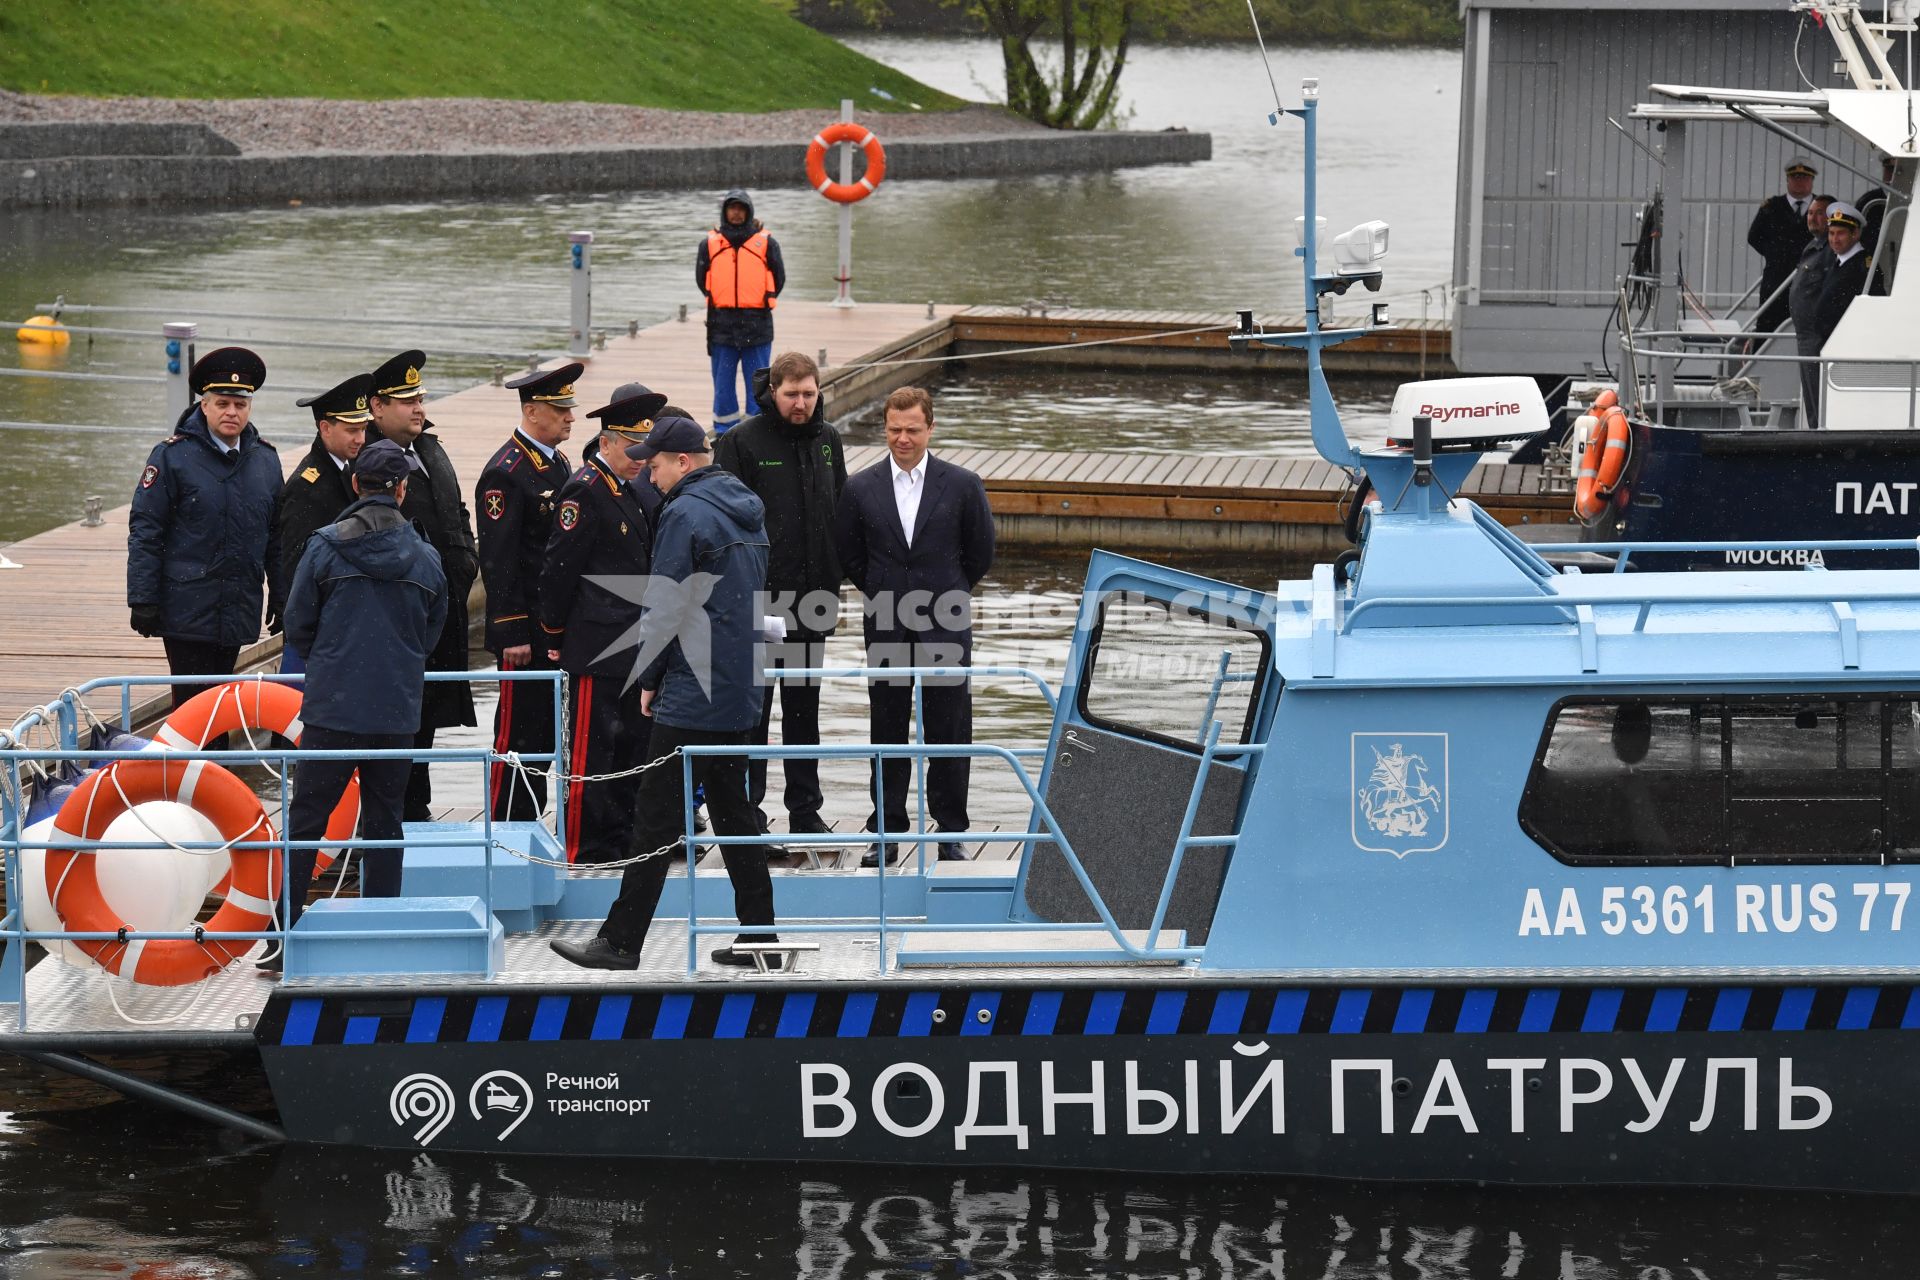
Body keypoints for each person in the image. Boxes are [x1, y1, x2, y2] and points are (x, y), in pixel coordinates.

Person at [550, 414, 777, 971]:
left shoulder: (685, 513)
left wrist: (648, 679)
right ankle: (762, 936)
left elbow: (666, 604)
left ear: (683, 462)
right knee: (734, 814)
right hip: (741, 682)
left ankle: (621, 941)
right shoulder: (746, 508)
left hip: (692, 688)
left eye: (655, 467)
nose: (650, 478)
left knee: (654, 818)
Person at [271, 440, 446, 970]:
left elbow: (298, 623)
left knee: (305, 823)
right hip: (395, 714)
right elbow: (431, 633)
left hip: (332, 712)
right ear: (401, 489)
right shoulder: (427, 555)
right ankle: (382, 933)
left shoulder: (324, 547)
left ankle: (285, 939)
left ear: (355, 484)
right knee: (385, 823)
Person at [833, 386, 995, 866]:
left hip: (945, 620)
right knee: (886, 728)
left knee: (949, 727)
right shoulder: (860, 487)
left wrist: (945, 591)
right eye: (894, 429)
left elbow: (980, 551)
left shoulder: (963, 484)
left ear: (930, 428)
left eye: (913, 429)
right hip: (885, 621)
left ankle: (950, 829)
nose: (903, 438)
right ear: (884, 428)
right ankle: (885, 831)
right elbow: (850, 554)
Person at [712, 352, 847, 844]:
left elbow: (841, 509)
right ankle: (748, 810)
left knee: (804, 713)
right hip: (759, 604)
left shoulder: (828, 440)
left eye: (809, 393)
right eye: (792, 394)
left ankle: (806, 811)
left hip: (813, 602)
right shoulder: (742, 441)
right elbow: (723, 523)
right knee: (752, 712)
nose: (801, 403)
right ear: (773, 391)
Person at [538, 383, 668, 865]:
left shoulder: (628, 492)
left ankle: (618, 837)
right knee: (590, 753)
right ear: (608, 441)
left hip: (631, 641)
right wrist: (553, 634)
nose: (639, 457)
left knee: (630, 747)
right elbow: (559, 569)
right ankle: (583, 846)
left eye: (645, 449)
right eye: (631, 447)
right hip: (594, 642)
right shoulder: (584, 490)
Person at [127, 346, 284, 709]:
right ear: (205, 405)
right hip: (186, 607)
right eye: (223, 403)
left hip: (239, 604)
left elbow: (276, 537)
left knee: (221, 703)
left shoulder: (265, 461)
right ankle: (191, 766)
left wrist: (281, 593)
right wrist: (143, 598)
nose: (232, 412)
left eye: (240, 405)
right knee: (191, 708)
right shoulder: (172, 457)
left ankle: (212, 764)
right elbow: (147, 532)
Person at [366, 350, 480, 823]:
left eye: (419, 398)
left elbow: (457, 513)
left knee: (428, 717)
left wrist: (467, 555)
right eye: (405, 400)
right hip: (398, 618)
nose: (417, 408)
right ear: (377, 407)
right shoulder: (368, 459)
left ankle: (418, 807)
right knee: (394, 725)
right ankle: (388, 816)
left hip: (444, 608)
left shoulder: (430, 450)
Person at [475, 362, 581, 821]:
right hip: (525, 633)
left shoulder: (556, 463)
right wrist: (511, 630)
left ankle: (533, 823)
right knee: (519, 734)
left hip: (554, 627)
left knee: (546, 734)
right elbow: (499, 560)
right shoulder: (507, 472)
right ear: (533, 410)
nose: (570, 418)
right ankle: (505, 826)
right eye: (561, 410)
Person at [276, 373, 373, 675]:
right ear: (325, 428)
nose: (360, 439)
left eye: (363, 429)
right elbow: (295, 566)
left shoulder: (350, 468)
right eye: (351, 430)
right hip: (321, 624)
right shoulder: (307, 487)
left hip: (347, 617)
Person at [696, 189, 785, 433]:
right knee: (723, 386)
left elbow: (779, 278)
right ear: (725, 212)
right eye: (731, 208)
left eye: (741, 208)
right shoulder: (710, 244)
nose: (736, 213)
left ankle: (756, 432)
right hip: (721, 327)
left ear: (748, 211)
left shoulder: (767, 243)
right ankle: (725, 432)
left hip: (757, 326)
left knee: (758, 385)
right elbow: (702, 280)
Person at [1807, 202, 1882, 417]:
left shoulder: (1863, 266)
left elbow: (1871, 308)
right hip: (1830, 346)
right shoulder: (1838, 262)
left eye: (1840, 233)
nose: (1834, 239)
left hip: (1848, 350)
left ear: (1855, 234)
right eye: (1831, 233)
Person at [1748, 157, 1818, 337]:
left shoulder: (1823, 207)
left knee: (1810, 330)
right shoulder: (1772, 207)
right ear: (1788, 180)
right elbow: (1754, 237)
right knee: (1768, 329)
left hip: (1812, 280)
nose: (1800, 182)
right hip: (1776, 279)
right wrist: (1775, 254)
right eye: (1795, 177)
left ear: (1812, 180)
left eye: (1804, 178)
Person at [1788, 195, 1836, 429]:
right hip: (1805, 335)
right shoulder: (1813, 246)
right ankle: (1816, 434)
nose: (1812, 218)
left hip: (1816, 335)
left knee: (1818, 396)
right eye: (1810, 213)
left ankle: (1821, 441)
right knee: (1810, 396)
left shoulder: (1829, 250)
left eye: (1819, 213)